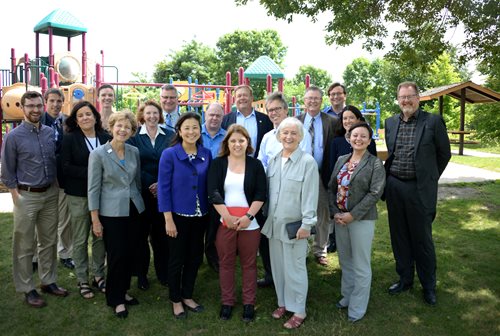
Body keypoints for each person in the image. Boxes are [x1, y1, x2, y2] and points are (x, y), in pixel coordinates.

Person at [384, 81, 451, 306]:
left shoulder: (432, 122)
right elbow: (392, 153)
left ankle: (428, 286)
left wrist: (429, 178)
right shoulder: (391, 122)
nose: (406, 101)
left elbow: (444, 154)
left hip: (419, 189)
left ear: (418, 98)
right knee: (399, 237)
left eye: (410, 96)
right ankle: (404, 279)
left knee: (422, 240)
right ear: (398, 99)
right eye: (402, 97)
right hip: (394, 187)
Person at [1, 91, 68, 308]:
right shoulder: (13, 137)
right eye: (30, 106)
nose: (36, 110)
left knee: (48, 242)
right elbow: (7, 171)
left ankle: (48, 281)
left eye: (39, 105)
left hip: (50, 194)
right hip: (26, 196)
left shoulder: (50, 132)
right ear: (22, 107)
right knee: (24, 244)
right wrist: (15, 197)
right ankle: (27, 288)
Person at [262, 117, 319, 329]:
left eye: (293, 133)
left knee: (295, 269)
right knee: (278, 268)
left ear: (300, 137)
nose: (288, 136)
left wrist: (307, 224)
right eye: (285, 133)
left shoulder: (307, 162)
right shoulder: (275, 159)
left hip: (295, 227)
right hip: (274, 224)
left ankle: (300, 310)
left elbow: (310, 195)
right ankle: (283, 303)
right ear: (279, 136)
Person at [88, 111, 145, 318]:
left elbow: (136, 182)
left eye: (127, 127)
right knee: (116, 255)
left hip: (134, 210)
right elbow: (93, 189)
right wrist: (95, 219)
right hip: (111, 213)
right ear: (111, 128)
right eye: (119, 126)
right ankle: (115, 299)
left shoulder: (134, 151)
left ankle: (123, 291)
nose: (123, 130)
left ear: (132, 131)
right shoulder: (98, 154)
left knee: (130, 253)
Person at [207, 124, 266, 322]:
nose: (237, 144)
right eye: (233, 140)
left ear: (247, 142)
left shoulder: (256, 165)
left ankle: (249, 303)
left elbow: (260, 194)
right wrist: (227, 217)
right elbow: (213, 192)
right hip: (225, 221)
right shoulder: (218, 164)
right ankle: (227, 302)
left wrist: (248, 217)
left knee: (249, 264)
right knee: (226, 263)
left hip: (250, 222)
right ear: (227, 143)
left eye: (241, 140)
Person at [328, 122, 385, 322]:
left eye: (363, 136)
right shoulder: (342, 159)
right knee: (346, 261)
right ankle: (347, 296)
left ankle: (358, 307)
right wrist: (335, 212)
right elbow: (331, 188)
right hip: (340, 219)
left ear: (369, 141)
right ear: (349, 138)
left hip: (361, 219)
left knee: (361, 264)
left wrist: (353, 215)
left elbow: (375, 193)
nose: (358, 139)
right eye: (355, 135)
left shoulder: (375, 163)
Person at [157, 112, 211, 319]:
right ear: (179, 131)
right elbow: (163, 188)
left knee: (194, 257)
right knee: (176, 259)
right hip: (177, 216)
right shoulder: (169, 154)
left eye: (195, 127)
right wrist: (168, 219)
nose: (191, 131)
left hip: (201, 216)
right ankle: (176, 299)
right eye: (187, 128)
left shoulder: (206, 153)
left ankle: (188, 295)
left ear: (200, 130)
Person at [256, 91, 311, 288]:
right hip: (270, 193)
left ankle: (293, 278)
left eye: (277, 109)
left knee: (291, 236)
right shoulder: (267, 137)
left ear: (286, 110)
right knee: (269, 236)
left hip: (292, 195)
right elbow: (261, 162)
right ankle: (272, 274)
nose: (273, 113)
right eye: (270, 110)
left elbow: (305, 164)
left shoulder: (298, 132)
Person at [61, 101, 111, 299]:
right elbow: (65, 167)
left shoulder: (106, 138)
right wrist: (93, 173)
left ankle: (99, 275)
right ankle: (82, 278)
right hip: (79, 196)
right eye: (80, 115)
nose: (85, 118)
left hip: (103, 196)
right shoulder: (70, 139)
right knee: (81, 239)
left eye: (88, 114)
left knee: (100, 236)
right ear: (75, 119)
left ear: (95, 116)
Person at [128, 100, 174, 289]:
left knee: (162, 236)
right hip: (142, 193)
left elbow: (173, 162)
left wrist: (161, 184)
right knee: (140, 237)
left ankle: (163, 272)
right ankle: (142, 274)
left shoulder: (170, 135)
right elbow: (132, 165)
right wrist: (149, 184)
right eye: (148, 113)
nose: (152, 116)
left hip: (165, 193)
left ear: (160, 115)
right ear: (142, 116)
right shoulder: (134, 137)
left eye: (155, 113)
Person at [297, 86, 339, 266]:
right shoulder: (295, 121)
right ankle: (300, 248)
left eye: (316, 98)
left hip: (322, 174)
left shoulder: (332, 121)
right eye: (309, 98)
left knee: (323, 212)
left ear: (322, 101)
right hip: (299, 174)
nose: (312, 101)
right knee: (299, 211)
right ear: (304, 101)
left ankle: (320, 249)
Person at [327, 105, 377, 253]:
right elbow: (331, 170)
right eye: (345, 118)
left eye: (351, 117)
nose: (348, 121)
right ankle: (335, 241)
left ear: (359, 119)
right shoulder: (336, 142)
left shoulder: (369, 143)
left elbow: (372, 168)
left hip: (361, 195)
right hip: (340, 194)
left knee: (358, 248)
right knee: (344, 243)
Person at [41, 88, 74, 269]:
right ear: (46, 102)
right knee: (43, 218)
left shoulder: (68, 122)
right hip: (42, 178)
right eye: (52, 101)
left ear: (63, 102)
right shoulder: (38, 121)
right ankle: (38, 256)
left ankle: (65, 253)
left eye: (58, 101)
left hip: (62, 178)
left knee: (64, 218)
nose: (55, 104)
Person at [201, 102, 226, 273]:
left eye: (218, 115)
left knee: (213, 224)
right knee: (195, 224)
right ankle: (194, 256)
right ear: (205, 115)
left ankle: (212, 256)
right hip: (196, 185)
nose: (214, 118)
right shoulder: (196, 133)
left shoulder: (227, 136)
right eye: (212, 114)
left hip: (218, 186)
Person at [221, 85, 273, 158]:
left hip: (257, 165)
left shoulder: (265, 120)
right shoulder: (225, 120)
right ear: (235, 99)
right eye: (239, 96)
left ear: (252, 98)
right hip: (232, 165)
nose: (242, 98)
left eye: (245, 95)